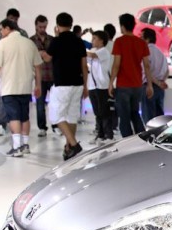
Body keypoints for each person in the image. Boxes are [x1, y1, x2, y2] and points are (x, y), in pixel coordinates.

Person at [0, 19, 42, 157]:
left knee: (14, 117)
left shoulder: (2, 44)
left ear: (8, 28)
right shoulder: (29, 43)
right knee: (24, 117)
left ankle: (17, 147)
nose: (1, 32)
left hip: (9, 87)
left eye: (1, 29)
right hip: (25, 86)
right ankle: (25, 145)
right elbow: (37, 67)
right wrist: (38, 85)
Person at [44, 12, 88, 160]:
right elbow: (84, 65)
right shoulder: (79, 41)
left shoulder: (56, 41)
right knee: (72, 116)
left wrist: (42, 52)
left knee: (56, 116)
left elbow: (48, 58)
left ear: (57, 25)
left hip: (62, 83)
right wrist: (86, 86)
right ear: (71, 24)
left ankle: (74, 144)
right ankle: (69, 147)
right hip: (78, 83)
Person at [109, 13, 152, 138]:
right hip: (137, 85)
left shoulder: (119, 42)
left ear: (122, 26)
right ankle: (143, 138)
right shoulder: (141, 43)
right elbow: (147, 65)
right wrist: (149, 85)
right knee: (135, 113)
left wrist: (111, 82)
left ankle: (127, 142)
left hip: (123, 85)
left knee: (124, 117)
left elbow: (116, 64)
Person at [0, 8, 29, 136]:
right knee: (3, 99)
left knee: (21, 103)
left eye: (15, 19)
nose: (13, 21)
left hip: (21, 72)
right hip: (6, 72)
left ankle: (19, 134)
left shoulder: (22, 33)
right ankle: (2, 124)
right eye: (11, 19)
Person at [86, 30, 115, 143]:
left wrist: (80, 48)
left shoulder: (103, 51)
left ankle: (109, 135)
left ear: (101, 41)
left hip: (102, 86)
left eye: (94, 38)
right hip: (93, 86)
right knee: (97, 112)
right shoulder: (95, 52)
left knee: (104, 112)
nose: (92, 41)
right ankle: (100, 134)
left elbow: (92, 55)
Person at [30, 15, 53, 136]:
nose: (42, 29)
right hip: (39, 77)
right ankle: (42, 127)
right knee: (40, 104)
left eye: (44, 26)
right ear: (36, 26)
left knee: (55, 103)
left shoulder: (52, 39)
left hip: (53, 75)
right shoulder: (31, 41)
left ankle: (56, 125)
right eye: (40, 26)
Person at [141, 28, 169, 120]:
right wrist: (161, 82)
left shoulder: (145, 52)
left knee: (148, 118)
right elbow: (167, 71)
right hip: (160, 89)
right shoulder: (161, 53)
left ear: (147, 39)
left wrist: (156, 83)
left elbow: (146, 70)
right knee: (159, 118)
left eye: (141, 37)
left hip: (149, 87)